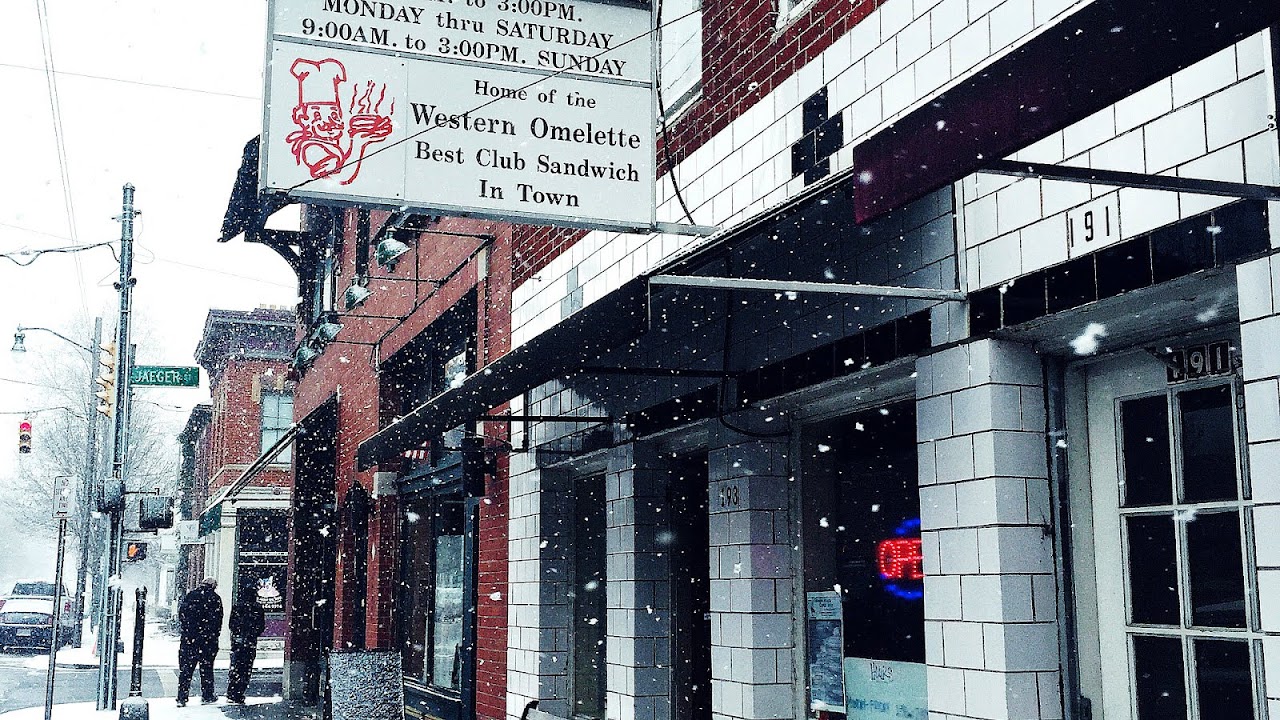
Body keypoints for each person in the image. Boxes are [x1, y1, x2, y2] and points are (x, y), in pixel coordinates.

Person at [177, 578, 223, 706]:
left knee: (186, 670)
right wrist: (212, 636)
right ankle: (207, 695)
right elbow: (217, 621)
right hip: (207, 641)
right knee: (207, 669)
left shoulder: (191, 596)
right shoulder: (215, 599)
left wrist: (188, 631)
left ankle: (182, 697)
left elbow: (182, 615)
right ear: (213, 586)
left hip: (189, 640)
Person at [225, 591, 266, 705]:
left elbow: (231, 624)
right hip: (250, 642)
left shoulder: (237, 607)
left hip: (238, 642)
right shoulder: (257, 608)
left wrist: (237, 634)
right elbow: (261, 626)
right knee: (246, 668)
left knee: (236, 667)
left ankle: (232, 692)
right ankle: (240, 692)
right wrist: (252, 634)